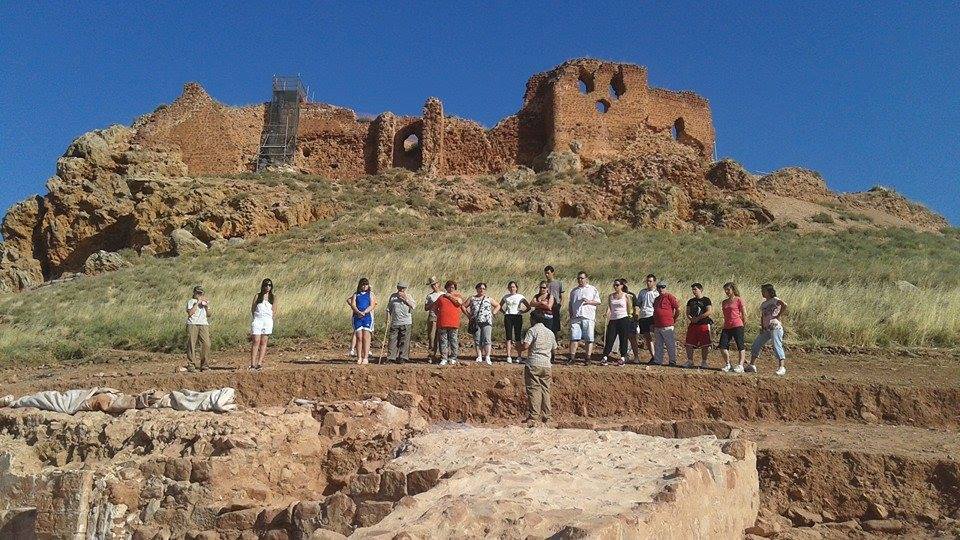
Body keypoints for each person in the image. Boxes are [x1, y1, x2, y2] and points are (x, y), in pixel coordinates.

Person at [518, 312, 558, 425]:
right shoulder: (550, 332)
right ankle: (547, 416)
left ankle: (534, 416)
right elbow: (554, 348)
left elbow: (525, 346)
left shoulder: (532, 330)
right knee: (545, 390)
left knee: (534, 390)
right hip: (546, 364)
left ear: (533, 319)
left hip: (534, 363)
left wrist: (518, 347)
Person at [745, 284, 788, 375]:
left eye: (764, 291)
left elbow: (785, 305)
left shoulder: (775, 300)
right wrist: (762, 326)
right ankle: (752, 365)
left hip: (774, 326)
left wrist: (778, 315)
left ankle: (781, 367)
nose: (762, 293)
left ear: (769, 291)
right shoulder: (763, 304)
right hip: (766, 328)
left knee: (776, 345)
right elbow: (762, 316)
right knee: (756, 344)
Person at [568, 271, 602, 364]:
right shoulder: (574, 291)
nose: (580, 280)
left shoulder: (592, 289)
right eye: (578, 278)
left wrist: (589, 302)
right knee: (574, 338)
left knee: (589, 338)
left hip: (588, 317)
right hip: (576, 317)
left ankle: (588, 358)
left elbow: (598, 301)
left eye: (582, 278)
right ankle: (572, 358)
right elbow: (570, 303)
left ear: (586, 279)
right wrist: (571, 314)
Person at [466, 282, 501, 364]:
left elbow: (497, 305)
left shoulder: (488, 298)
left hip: (487, 321)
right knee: (477, 339)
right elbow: (463, 306)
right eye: (480, 288)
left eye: (483, 288)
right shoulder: (472, 298)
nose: (481, 290)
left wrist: (493, 313)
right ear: (477, 289)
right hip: (476, 321)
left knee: (487, 339)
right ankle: (479, 356)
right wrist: (468, 315)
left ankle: (487, 356)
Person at [601, 279, 634, 365]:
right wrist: (606, 313)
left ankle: (623, 357)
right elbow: (610, 307)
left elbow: (629, 307)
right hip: (613, 319)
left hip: (623, 318)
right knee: (610, 338)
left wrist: (630, 316)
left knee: (623, 338)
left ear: (622, 286)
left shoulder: (626, 296)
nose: (615, 286)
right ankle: (605, 356)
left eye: (617, 285)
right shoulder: (611, 296)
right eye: (614, 285)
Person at [718, 282, 747, 373]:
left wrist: (743, 324)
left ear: (733, 290)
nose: (727, 291)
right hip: (727, 326)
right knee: (722, 346)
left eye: (728, 289)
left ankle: (740, 365)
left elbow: (744, 313)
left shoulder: (739, 300)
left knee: (740, 345)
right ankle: (728, 364)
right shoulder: (724, 302)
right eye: (725, 290)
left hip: (737, 324)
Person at [348, 278, 377, 365]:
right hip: (357, 317)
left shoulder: (371, 294)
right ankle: (359, 357)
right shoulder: (356, 294)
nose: (364, 286)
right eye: (363, 285)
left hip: (367, 317)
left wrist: (365, 312)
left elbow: (372, 305)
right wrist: (358, 312)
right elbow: (353, 304)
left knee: (366, 337)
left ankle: (365, 357)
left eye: (366, 285)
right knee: (359, 337)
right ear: (360, 285)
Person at [434, 280, 464, 366]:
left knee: (453, 341)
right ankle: (444, 358)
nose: (451, 289)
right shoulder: (441, 297)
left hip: (454, 322)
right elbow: (435, 308)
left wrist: (449, 296)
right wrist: (439, 315)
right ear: (446, 287)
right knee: (443, 341)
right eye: (449, 287)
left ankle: (453, 357)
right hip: (442, 322)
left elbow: (459, 303)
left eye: (453, 287)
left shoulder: (458, 296)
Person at [651, 280, 680, 366]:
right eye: (659, 287)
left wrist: (674, 318)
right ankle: (658, 360)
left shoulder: (669, 296)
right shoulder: (656, 299)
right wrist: (653, 323)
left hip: (667, 325)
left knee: (670, 344)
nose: (661, 289)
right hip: (657, 325)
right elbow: (655, 312)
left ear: (665, 288)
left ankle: (672, 361)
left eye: (663, 287)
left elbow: (678, 309)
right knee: (658, 344)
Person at [500, 281, 530, 363]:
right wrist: (504, 312)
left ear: (516, 288)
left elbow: (528, 306)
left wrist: (522, 311)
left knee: (518, 336)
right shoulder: (506, 297)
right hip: (508, 316)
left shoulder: (520, 296)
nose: (512, 288)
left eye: (513, 287)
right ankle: (508, 356)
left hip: (517, 316)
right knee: (508, 336)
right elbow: (500, 305)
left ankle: (519, 356)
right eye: (510, 287)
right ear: (508, 288)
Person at [684, 283, 713, 368]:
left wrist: (699, 318)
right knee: (689, 343)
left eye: (695, 289)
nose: (694, 291)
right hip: (693, 324)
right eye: (693, 289)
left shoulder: (706, 300)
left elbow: (709, 311)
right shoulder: (690, 301)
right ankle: (690, 361)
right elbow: (687, 312)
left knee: (705, 344)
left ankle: (704, 361)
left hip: (703, 324)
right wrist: (691, 319)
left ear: (700, 289)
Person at [250, 278, 276, 370]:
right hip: (258, 319)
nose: (267, 287)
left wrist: (271, 320)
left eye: (269, 285)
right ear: (263, 286)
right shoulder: (258, 296)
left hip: (267, 320)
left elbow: (274, 310)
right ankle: (252, 363)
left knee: (264, 342)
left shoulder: (272, 297)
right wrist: (255, 317)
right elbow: (253, 308)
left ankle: (259, 363)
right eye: (266, 285)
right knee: (256, 340)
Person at [386, 282, 416, 363]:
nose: (401, 290)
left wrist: (405, 299)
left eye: (403, 288)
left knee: (405, 340)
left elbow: (413, 306)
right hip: (395, 321)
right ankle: (391, 357)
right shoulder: (393, 296)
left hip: (406, 321)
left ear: (405, 289)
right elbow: (388, 309)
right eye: (400, 288)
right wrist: (387, 319)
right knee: (392, 339)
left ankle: (402, 357)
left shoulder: (408, 296)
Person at [185, 285, 211, 372]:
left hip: (203, 324)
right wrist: (197, 303)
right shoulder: (191, 302)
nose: (199, 295)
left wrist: (207, 306)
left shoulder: (205, 302)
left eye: (201, 293)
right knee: (192, 344)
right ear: (194, 293)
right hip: (193, 324)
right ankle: (191, 365)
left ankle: (204, 365)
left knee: (206, 344)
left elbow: (209, 314)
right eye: (198, 293)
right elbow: (190, 313)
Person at [637, 274, 660, 363]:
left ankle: (659, 355)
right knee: (647, 337)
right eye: (647, 281)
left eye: (650, 281)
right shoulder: (642, 292)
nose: (648, 283)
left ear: (654, 282)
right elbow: (639, 303)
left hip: (653, 316)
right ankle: (653, 356)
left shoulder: (657, 293)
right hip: (643, 316)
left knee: (657, 336)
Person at [620, 278, 642, 363]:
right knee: (623, 338)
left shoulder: (631, 295)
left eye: (624, 284)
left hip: (630, 319)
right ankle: (624, 356)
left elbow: (636, 307)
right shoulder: (616, 295)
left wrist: (636, 318)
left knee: (632, 338)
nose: (624, 286)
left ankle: (636, 357)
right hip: (620, 319)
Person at [424, 277, 443, 362]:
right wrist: (433, 304)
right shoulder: (429, 296)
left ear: (438, 284)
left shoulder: (443, 294)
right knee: (432, 337)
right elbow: (426, 308)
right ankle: (431, 355)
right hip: (433, 317)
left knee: (442, 337)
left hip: (442, 317)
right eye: (432, 285)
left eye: (435, 284)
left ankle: (442, 355)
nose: (434, 286)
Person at [544, 266, 564, 337]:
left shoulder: (558, 283)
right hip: (546, 307)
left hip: (556, 306)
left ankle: (555, 341)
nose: (546, 275)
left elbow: (561, 296)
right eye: (545, 273)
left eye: (548, 273)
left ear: (552, 273)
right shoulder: (544, 284)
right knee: (547, 324)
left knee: (555, 325)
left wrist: (560, 304)